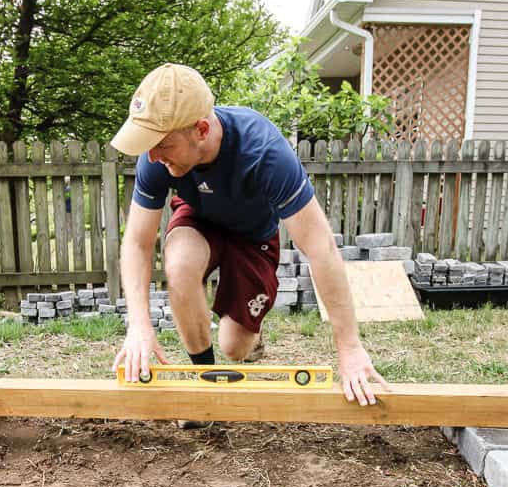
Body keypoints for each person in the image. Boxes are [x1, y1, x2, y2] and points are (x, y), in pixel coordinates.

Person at [109, 62, 388, 415]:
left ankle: (250, 337)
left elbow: (321, 248)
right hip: (199, 221)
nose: (152, 156)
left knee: (234, 347)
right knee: (178, 266)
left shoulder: (265, 152)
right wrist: (139, 325)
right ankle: (205, 390)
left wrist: (348, 347)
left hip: (252, 235)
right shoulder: (156, 158)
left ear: (201, 129)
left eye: (163, 145)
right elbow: (137, 242)